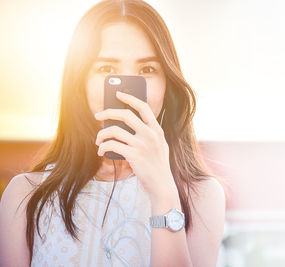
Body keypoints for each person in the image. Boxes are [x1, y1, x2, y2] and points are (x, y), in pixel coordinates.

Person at [0, 0, 227, 266]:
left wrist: (164, 190)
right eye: (107, 69)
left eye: (147, 70)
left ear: (167, 86)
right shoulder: (25, 195)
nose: (124, 92)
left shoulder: (201, 196)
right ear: (80, 82)